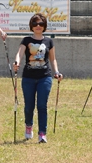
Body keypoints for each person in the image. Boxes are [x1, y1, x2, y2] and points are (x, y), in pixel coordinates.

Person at [13, 13, 63, 144]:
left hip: (44, 77)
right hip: (28, 77)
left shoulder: (49, 41)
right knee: (29, 106)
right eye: (35, 24)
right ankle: (28, 125)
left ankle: (42, 133)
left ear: (44, 26)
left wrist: (56, 72)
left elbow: (53, 59)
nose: (38, 26)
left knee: (42, 105)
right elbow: (19, 53)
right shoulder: (26, 40)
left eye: (41, 24)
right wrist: (16, 62)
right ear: (31, 26)